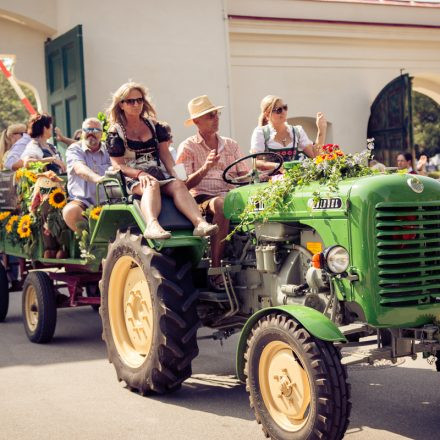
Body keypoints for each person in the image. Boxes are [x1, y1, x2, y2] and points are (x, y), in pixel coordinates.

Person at [106, 82, 218, 240]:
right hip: (132, 176)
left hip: (157, 173)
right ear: (121, 105)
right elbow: (118, 165)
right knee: (151, 184)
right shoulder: (115, 131)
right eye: (130, 101)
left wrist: (179, 174)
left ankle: (199, 223)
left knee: (178, 184)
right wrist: (140, 174)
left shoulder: (154, 126)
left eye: (139, 100)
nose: (136, 104)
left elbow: (166, 156)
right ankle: (152, 225)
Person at [176, 95, 249, 290]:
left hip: (231, 194)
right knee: (220, 204)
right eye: (210, 115)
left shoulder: (231, 144)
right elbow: (182, 185)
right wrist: (205, 168)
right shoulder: (187, 147)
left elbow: (244, 175)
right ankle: (215, 270)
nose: (216, 118)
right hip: (201, 198)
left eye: (216, 114)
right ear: (196, 122)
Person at [250, 95, 327, 169]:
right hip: (270, 180)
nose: (283, 112)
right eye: (278, 110)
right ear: (267, 114)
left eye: (285, 108)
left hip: (294, 179)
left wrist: (321, 131)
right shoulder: (261, 133)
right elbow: (255, 161)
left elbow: (315, 156)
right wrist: (277, 166)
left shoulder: (297, 131)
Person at [62, 118, 111, 232]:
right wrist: (97, 178)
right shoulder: (74, 149)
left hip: (108, 202)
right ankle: (88, 243)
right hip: (82, 202)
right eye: (87, 129)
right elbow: (79, 168)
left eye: (95, 130)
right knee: (70, 211)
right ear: (82, 132)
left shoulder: (109, 150)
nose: (91, 133)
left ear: (101, 133)